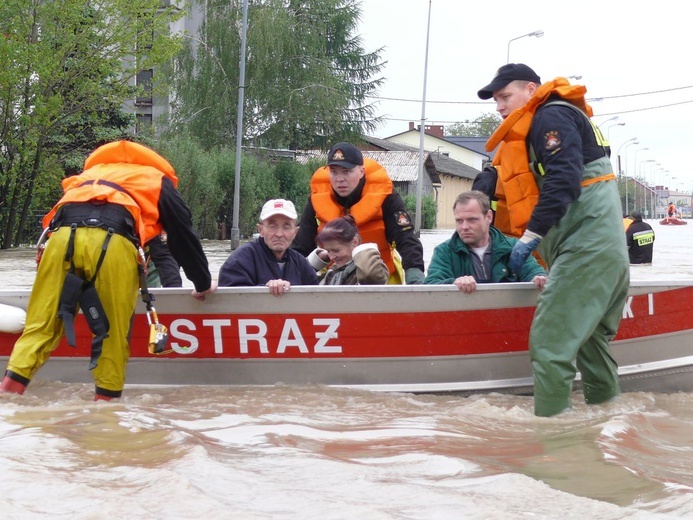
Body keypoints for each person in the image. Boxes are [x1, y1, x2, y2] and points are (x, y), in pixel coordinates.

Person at [0, 140, 216, 400]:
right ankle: (105, 415)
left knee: (40, 327)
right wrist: (202, 283)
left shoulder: (88, 176)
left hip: (57, 240)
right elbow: (183, 237)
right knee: (111, 335)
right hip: (114, 244)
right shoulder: (157, 180)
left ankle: (7, 400)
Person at [477, 63, 630, 416]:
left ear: (531, 89)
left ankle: (554, 442)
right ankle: (610, 422)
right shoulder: (552, 119)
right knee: (591, 343)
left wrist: (531, 235)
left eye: (505, 96)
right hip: (603, 251)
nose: (499, 106)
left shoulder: (551, 116)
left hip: (585, 250)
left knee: (549, 345)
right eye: (496, 100)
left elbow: (564, 177)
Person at [292, 142, 425, 285]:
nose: (339, 179)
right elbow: (301, 245)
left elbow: (406, 238)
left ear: (361, 171)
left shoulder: (385, 196)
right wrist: (285, 274)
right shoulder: (317, 198)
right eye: (334, 171)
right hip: (335, 277)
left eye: (346, 171)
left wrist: (415, 274)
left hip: (380, 275)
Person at [425, 191, 546, 294]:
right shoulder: (444, 252)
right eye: (459, 221)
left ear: (489, 217)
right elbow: (430, 287)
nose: (464, 227)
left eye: (472, 220)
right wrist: (453, 283)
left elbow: (534, 271)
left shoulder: (514, 248)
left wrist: (539, 278)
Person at [218, 199, 318, 295]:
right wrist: (265, 290)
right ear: (260, 230)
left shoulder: (301, 263)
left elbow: (315, 297)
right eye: (272, 226)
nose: (279, 234)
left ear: (295, 232)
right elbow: (229, 298)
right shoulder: (239, 260)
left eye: (286, 227)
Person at [309, 215, 389, 285]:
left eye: (336, 250)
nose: (331, 257)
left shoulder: (372, 269)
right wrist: (315, 262)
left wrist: (362, 251)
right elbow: (302, 280)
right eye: (328, 251)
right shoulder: (332, 274)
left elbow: (371, 277)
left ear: (355, 242)